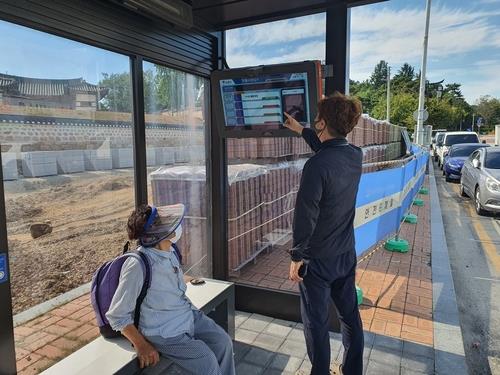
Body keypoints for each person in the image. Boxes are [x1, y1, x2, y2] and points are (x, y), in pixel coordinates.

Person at [284, 92, 364, 375]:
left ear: (323, 123)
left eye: (317, 118)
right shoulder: (355, 156)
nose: (314, 121)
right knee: (350, 317)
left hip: (317, 261)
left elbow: (306, 215)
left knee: (316, 324)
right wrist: (301, 130)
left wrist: (297, 256)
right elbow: (328, 148)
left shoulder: (316, 165)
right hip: (345, 253)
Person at [106, 204, 235, 375]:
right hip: (164, 332)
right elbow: (117, 316)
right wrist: (142, 345)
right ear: (156, 233)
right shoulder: (137, 265)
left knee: (223, 342)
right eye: (165, 222)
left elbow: (169, 286)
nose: (174, 224)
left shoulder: (171, 251)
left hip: (186, 316)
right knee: (208, 363)